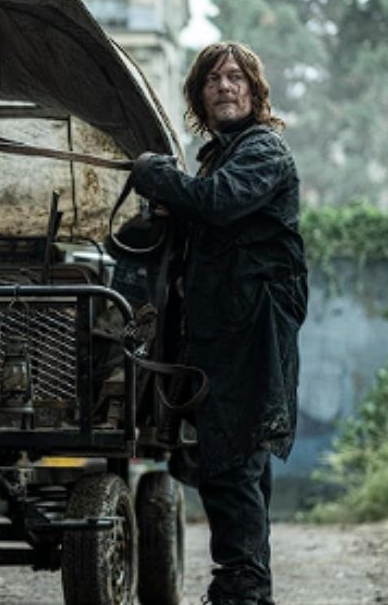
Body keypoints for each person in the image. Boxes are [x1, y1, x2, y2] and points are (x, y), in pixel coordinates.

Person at [131, 41, 307, 605]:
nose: (225, 86)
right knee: (235, 464)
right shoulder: (216, 157)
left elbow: (221, 203)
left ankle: (243, 591)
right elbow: (196, 221)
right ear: (199, 96)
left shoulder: (262, 151)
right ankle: (246, 587)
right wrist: (163, 206)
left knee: (233, 464)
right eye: (213, 80)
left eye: (236, 79)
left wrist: (158, 179)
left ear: (254, 94)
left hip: (251, 331)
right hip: (222, 330)